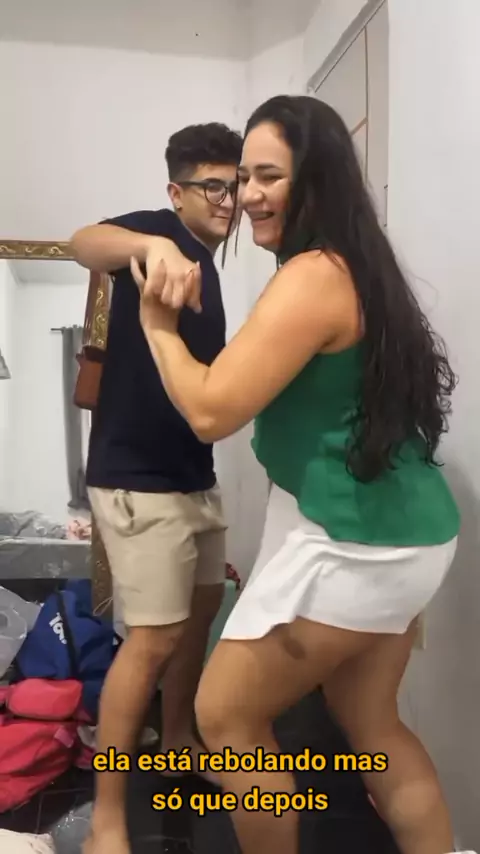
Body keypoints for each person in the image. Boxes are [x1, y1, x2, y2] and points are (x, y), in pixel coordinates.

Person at [132, 96, 465, 854]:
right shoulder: (354, 265)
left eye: (268, 176)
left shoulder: (315, 275)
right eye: (242, 178)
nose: (247, 195)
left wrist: (156, 326)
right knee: (372, 725)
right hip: (401, 530)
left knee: (225, 715)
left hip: (361, 539)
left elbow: (211, 410)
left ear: (317, 178)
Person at [70, 121, 243, 854]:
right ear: (177, 191)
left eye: (237, 185)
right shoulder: (160, 235)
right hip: (138, 482)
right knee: (151, 641)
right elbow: (84, 241)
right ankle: (107, 816)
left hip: (193, 477)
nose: (229, 200)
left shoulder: (210, 264)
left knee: (197, 620)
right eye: (213, 186)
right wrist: (151, 245)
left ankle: (178, 744)